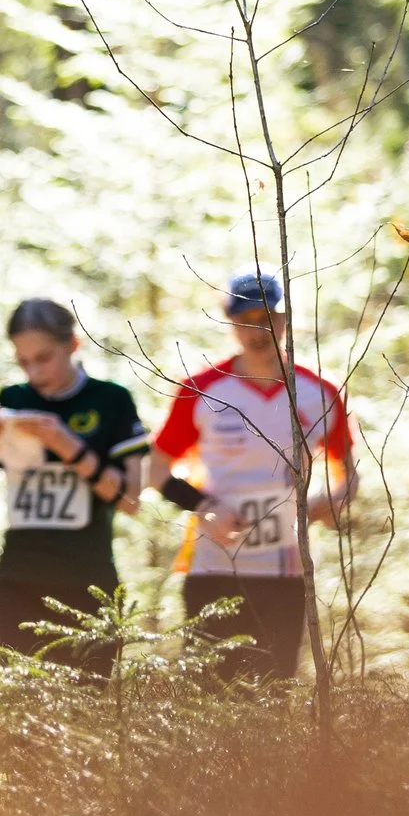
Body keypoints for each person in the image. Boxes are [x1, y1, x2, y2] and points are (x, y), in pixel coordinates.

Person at [143, 272, 356, 681]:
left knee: (274, 690)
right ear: (231, 324)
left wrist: (330, 500)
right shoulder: (201, 390)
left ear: (285, 320)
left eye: (267, 317)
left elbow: (351, 471)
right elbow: (153, 468)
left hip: (286, 571)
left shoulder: (320, 391)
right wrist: (204, 507)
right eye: (246, 320)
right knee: (210, 695)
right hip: (213, 567)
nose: (258, 330)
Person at [0, 299, 151, 674]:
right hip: (17, 585)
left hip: (88, 585)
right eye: (22, 361)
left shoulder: (111, 400)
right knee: (22, 716)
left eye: (43, 358)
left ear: (73, 345)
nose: (33, 371)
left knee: (88, 716)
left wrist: (67, 446)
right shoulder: (11, 401)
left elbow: (129, 501)